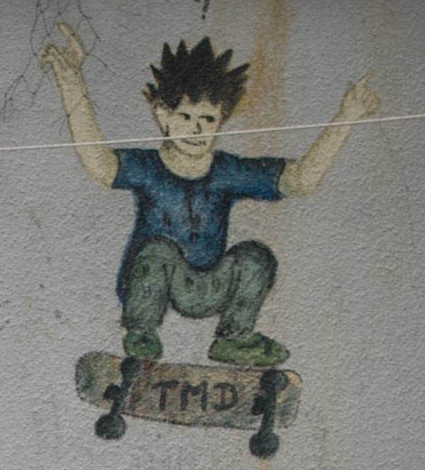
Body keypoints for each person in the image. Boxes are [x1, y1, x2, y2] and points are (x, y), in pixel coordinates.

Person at [41, 24, 380, 367]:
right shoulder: (147, 168)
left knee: (255, 257)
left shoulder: (226, 171)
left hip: (205, 285)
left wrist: (348, 115)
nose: (197, 128)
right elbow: (100, 165)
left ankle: (234, 338)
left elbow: (300, 181)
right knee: (158, 252)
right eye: (186, 116)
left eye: (208, 118)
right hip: (151, 283)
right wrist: (71, 83)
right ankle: (142, 334)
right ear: (163, 115)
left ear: (221, 121)